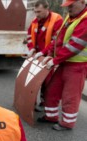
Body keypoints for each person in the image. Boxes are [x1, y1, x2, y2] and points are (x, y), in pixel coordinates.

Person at [36, 0, 87, 131]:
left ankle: (67, 123)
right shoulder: (71, 18)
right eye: (67, 6)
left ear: (82, 2)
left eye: (71, 5)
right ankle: (51, 116)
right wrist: (48, 54)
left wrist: (55, 60)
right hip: (63, 62)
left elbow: (74, 46)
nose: (68, 8)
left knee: (70, 95)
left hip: (77, 66)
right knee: (52, 89)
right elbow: (57, 39)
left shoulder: (85, 19)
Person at [26, 0, 63, 111]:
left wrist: (43, 52)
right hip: (37, 56)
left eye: (39, 12)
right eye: (35, 12)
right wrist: (31, 48)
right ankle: (31, 102)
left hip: (48, 57)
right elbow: (29, 36)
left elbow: (55, 41)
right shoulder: (35, 21)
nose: (37, 14)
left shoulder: (57, 20)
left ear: (47, 9)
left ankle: (45, 103)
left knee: (47, 82)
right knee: (33, 80)